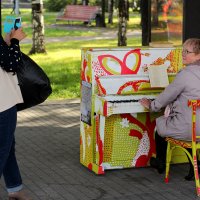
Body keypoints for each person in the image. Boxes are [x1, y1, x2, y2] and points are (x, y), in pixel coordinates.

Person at [139, 38, 200, 180]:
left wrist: (152, 105)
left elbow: (166, 96)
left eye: (187, 52)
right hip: (196, 127)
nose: (183, 54)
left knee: (160, 125)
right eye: (182, 50)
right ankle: (195, 166)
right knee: (187, 125)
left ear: (198, 55)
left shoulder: (185, 74)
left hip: (189, 129)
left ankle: (160, 162)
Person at [0, 28, 31, 199]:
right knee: (2, 149)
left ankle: (15, 188)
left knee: (7, 146)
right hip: (2, 103)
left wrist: (5, 43)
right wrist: (15, 41)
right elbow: (11, 64)